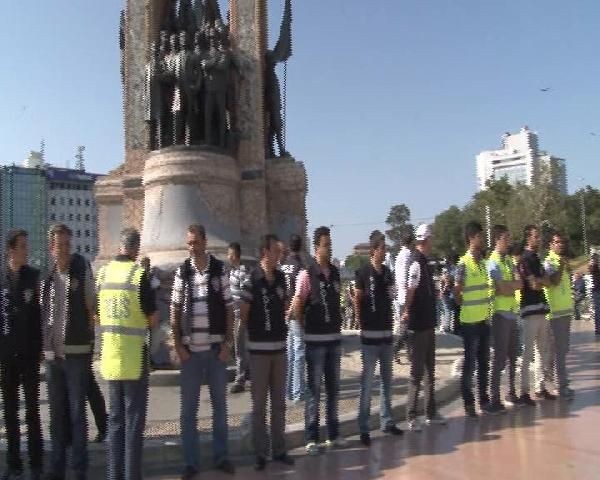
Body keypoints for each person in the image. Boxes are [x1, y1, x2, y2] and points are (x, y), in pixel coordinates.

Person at [171, 224, 235, 479]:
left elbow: (231, 309)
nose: (192, 247)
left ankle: (221, 457)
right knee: (188, 411)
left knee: (220, 407)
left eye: (196, 242)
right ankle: (191, 462)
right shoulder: (182, 272)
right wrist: (178, 346)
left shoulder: (219, 269)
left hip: (215, 351)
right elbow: (175, 311)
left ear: (205, 242)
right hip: (191, 354)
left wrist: (228, 345)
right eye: (189, 243)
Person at [97, 228, 158, 480]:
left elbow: (97, 314)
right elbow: (153, 319)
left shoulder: (102, 274)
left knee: (115, 421)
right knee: (133, 423)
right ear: (135, 248)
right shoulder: (138, 275)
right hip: (133, 359)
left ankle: (114, 475)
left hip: (110, 358)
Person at [41, 224, 95, 480]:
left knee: (76, 412)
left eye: (66, 244)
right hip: (54, 356)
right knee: (56, 414)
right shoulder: (48, 276)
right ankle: (57, 466)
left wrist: (88, 336)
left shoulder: (81, 267)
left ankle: (79, 468)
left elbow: (90, 305)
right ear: (51, 248)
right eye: (58, 245)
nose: (63, 249)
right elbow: (44, 314)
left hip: (77, 351)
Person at [239, 234, 295, 470]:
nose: (279, 256)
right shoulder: (252, 280)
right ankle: (261, 452)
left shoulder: (282, 278)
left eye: (281, 252)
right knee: (259, 404)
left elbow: (286, 306)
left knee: (279, 404)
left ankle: (279, 449)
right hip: (259, 352)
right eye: (276, 251)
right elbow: (243, 314)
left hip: (280, 350)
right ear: (265, 252)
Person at [292, 226, 347, 455]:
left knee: (333, 390)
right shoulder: (306, 274)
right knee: (314, 391)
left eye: (330, 244)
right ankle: (311, 437)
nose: (329, 247)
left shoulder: (334, 273)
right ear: (316, 247)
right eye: (326, 244)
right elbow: (297, 305)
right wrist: (305, 331)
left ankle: (333, 434)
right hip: (315, 341)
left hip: (333, 339)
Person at [0, 230, 43, 480]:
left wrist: (40, 349)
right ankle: (13, 463)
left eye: (27, 246)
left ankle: (36, 462)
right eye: (22, 246)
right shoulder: (1, 279)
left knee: (32, 410)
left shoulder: (34, 277)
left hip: (29, 354)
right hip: (6, 355)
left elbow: (39, 317)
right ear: (11, 250)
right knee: (10, 411)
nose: (27, 250)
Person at [354, 231, 403, 446]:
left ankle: (387, 420)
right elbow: (358, 299)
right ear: (374, 251)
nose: (385, 252)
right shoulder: (362, 273)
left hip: (386, 335)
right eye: (383, 249)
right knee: (367, 384)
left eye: (386, 249)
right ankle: (363, 427)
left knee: (387, 381)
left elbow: (392, 296)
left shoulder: (388, 273)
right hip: (370, 337)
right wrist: (360, 322)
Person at [402, 224, 447, 430]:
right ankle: (411, 416)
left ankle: (430, 412)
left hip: (428, 324)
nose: (433, 242)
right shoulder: (416, 263)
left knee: (430, 371)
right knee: (417, 373)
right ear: (426, 240)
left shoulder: (424, 263)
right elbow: (410, 290)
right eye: (431, 238)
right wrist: (406, 312)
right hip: (418, 325)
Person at [454, 221, 491, 417]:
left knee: (484, 363)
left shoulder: (484, 264)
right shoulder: (463, 264)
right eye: (480, 237)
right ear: (471, 238)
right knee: (470, 365)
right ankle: (469, 402)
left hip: (484, 321)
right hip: (469, 324)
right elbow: (457, 292)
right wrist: (466, 307)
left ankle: (484, 400)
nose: (483, 240)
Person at [487, 225, 523, 413]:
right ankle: (494, 397)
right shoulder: (492, 262)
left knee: (513, 355)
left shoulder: (508, 260)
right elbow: (501, 288)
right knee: (499, 358)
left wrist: (511, 285)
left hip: (512, 311)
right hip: (499, 313)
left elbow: (520, 283)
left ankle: (511, 392)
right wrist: (512, 285)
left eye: (509, 238)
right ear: (497, 240)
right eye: (505, 238)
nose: (508, 242)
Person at [517, 225, 555, 405]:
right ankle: (524, 391)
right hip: (529, 311)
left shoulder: (537, 259)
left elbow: (547, 282)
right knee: (528, 353)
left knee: (543, 352)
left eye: (539, 236)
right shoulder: (524, 260)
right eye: (535, 236)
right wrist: (540, 281)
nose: (538, 239)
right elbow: (533, 284)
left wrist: (540, 281)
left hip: (541, 310)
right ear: (528, 238)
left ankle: (540, 387)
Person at [543, 231, 575, 398]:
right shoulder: (549, 262)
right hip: (555, 313)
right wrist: (562, 266)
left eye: (562, 242)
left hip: (565, 311)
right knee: (559, 351)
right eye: (557, 242)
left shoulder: (563, 261)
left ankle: (553, 382)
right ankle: (561, 386)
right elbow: (553, 281)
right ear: (551, 244)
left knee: (562, 350)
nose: (560, 245)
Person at [281, 234, 306, 403]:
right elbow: (300, 294)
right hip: (296, 312)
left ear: (289, 247)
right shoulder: (301, 267)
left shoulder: (283, 266)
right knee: (299, 352)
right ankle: (298, 392)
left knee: (290, 353)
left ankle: (288, 391)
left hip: (284, 312)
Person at [228, 242, 250, 394]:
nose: (228, 257)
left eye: (229, 254)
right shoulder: (232, 272)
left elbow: (246, 295)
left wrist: (242, 315)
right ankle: (244, 374)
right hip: (234, 315)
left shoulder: (243, 272)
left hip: (241, 316)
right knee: (238, 348)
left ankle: (240, 379)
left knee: (240, 349)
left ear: (234, 255)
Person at [393, 232, 415, 362]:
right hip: (406, 295)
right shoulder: (408, 256)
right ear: (411, 242)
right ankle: (396, 350)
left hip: (401, 295)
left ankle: (410, 353)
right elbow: (407, 276)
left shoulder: (399, 256)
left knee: (407, 326)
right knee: (406, 327)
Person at [589, 253, 600, 334]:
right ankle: (598, 328)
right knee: (598, 310)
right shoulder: (594, 267)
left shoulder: (594, 266)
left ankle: (598, 328)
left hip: (596, 290)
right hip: (597, 290)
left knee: (598, 310)